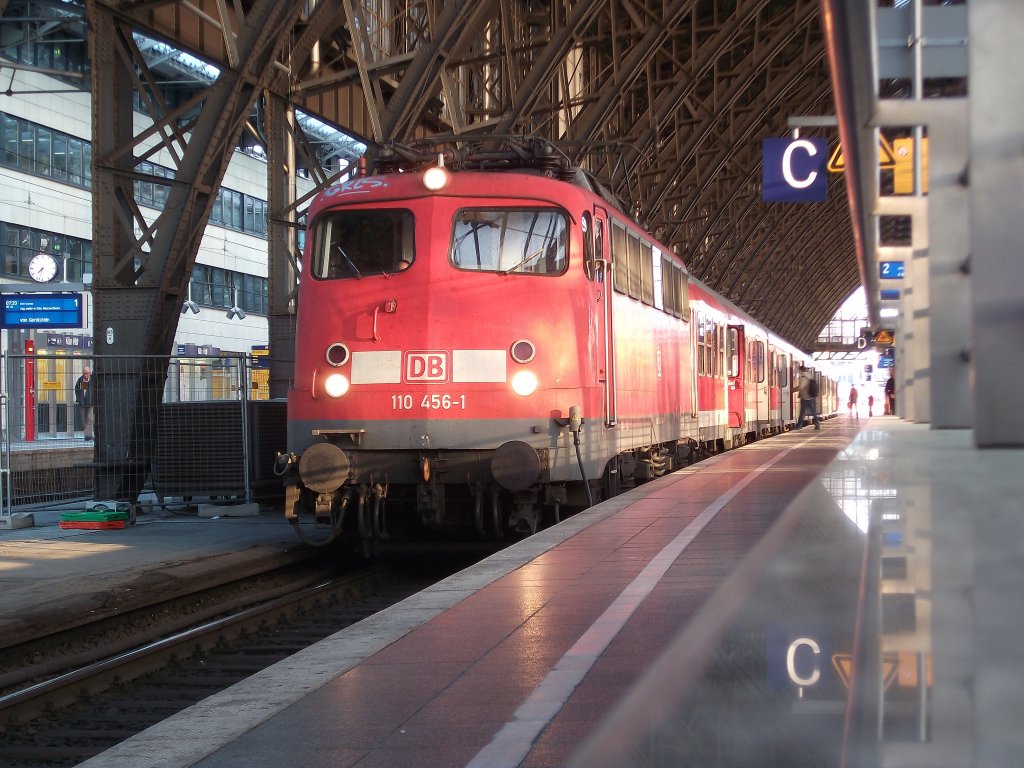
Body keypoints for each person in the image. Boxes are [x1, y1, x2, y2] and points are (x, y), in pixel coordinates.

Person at [795, 366, 820, 430]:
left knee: (802, 413)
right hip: (811, 397)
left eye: (799, 370)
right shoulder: (810, 376)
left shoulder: (803, 377)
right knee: (814, 412)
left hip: (805, 397)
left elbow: (801, 387)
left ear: (801, 370)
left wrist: (792, 390)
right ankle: (817, 424)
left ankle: (799, 426)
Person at [75, 366, 94, 440]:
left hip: (91, 402)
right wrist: (79, 399)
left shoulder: (92, 380)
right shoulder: (80, 380)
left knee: (90, 418)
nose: (85, 375)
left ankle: (88, 435)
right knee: (84, 419)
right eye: (84, 373)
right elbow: (77, 390)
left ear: (89, 373)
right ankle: (87, 434)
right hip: (82, 403)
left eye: (87, 373)